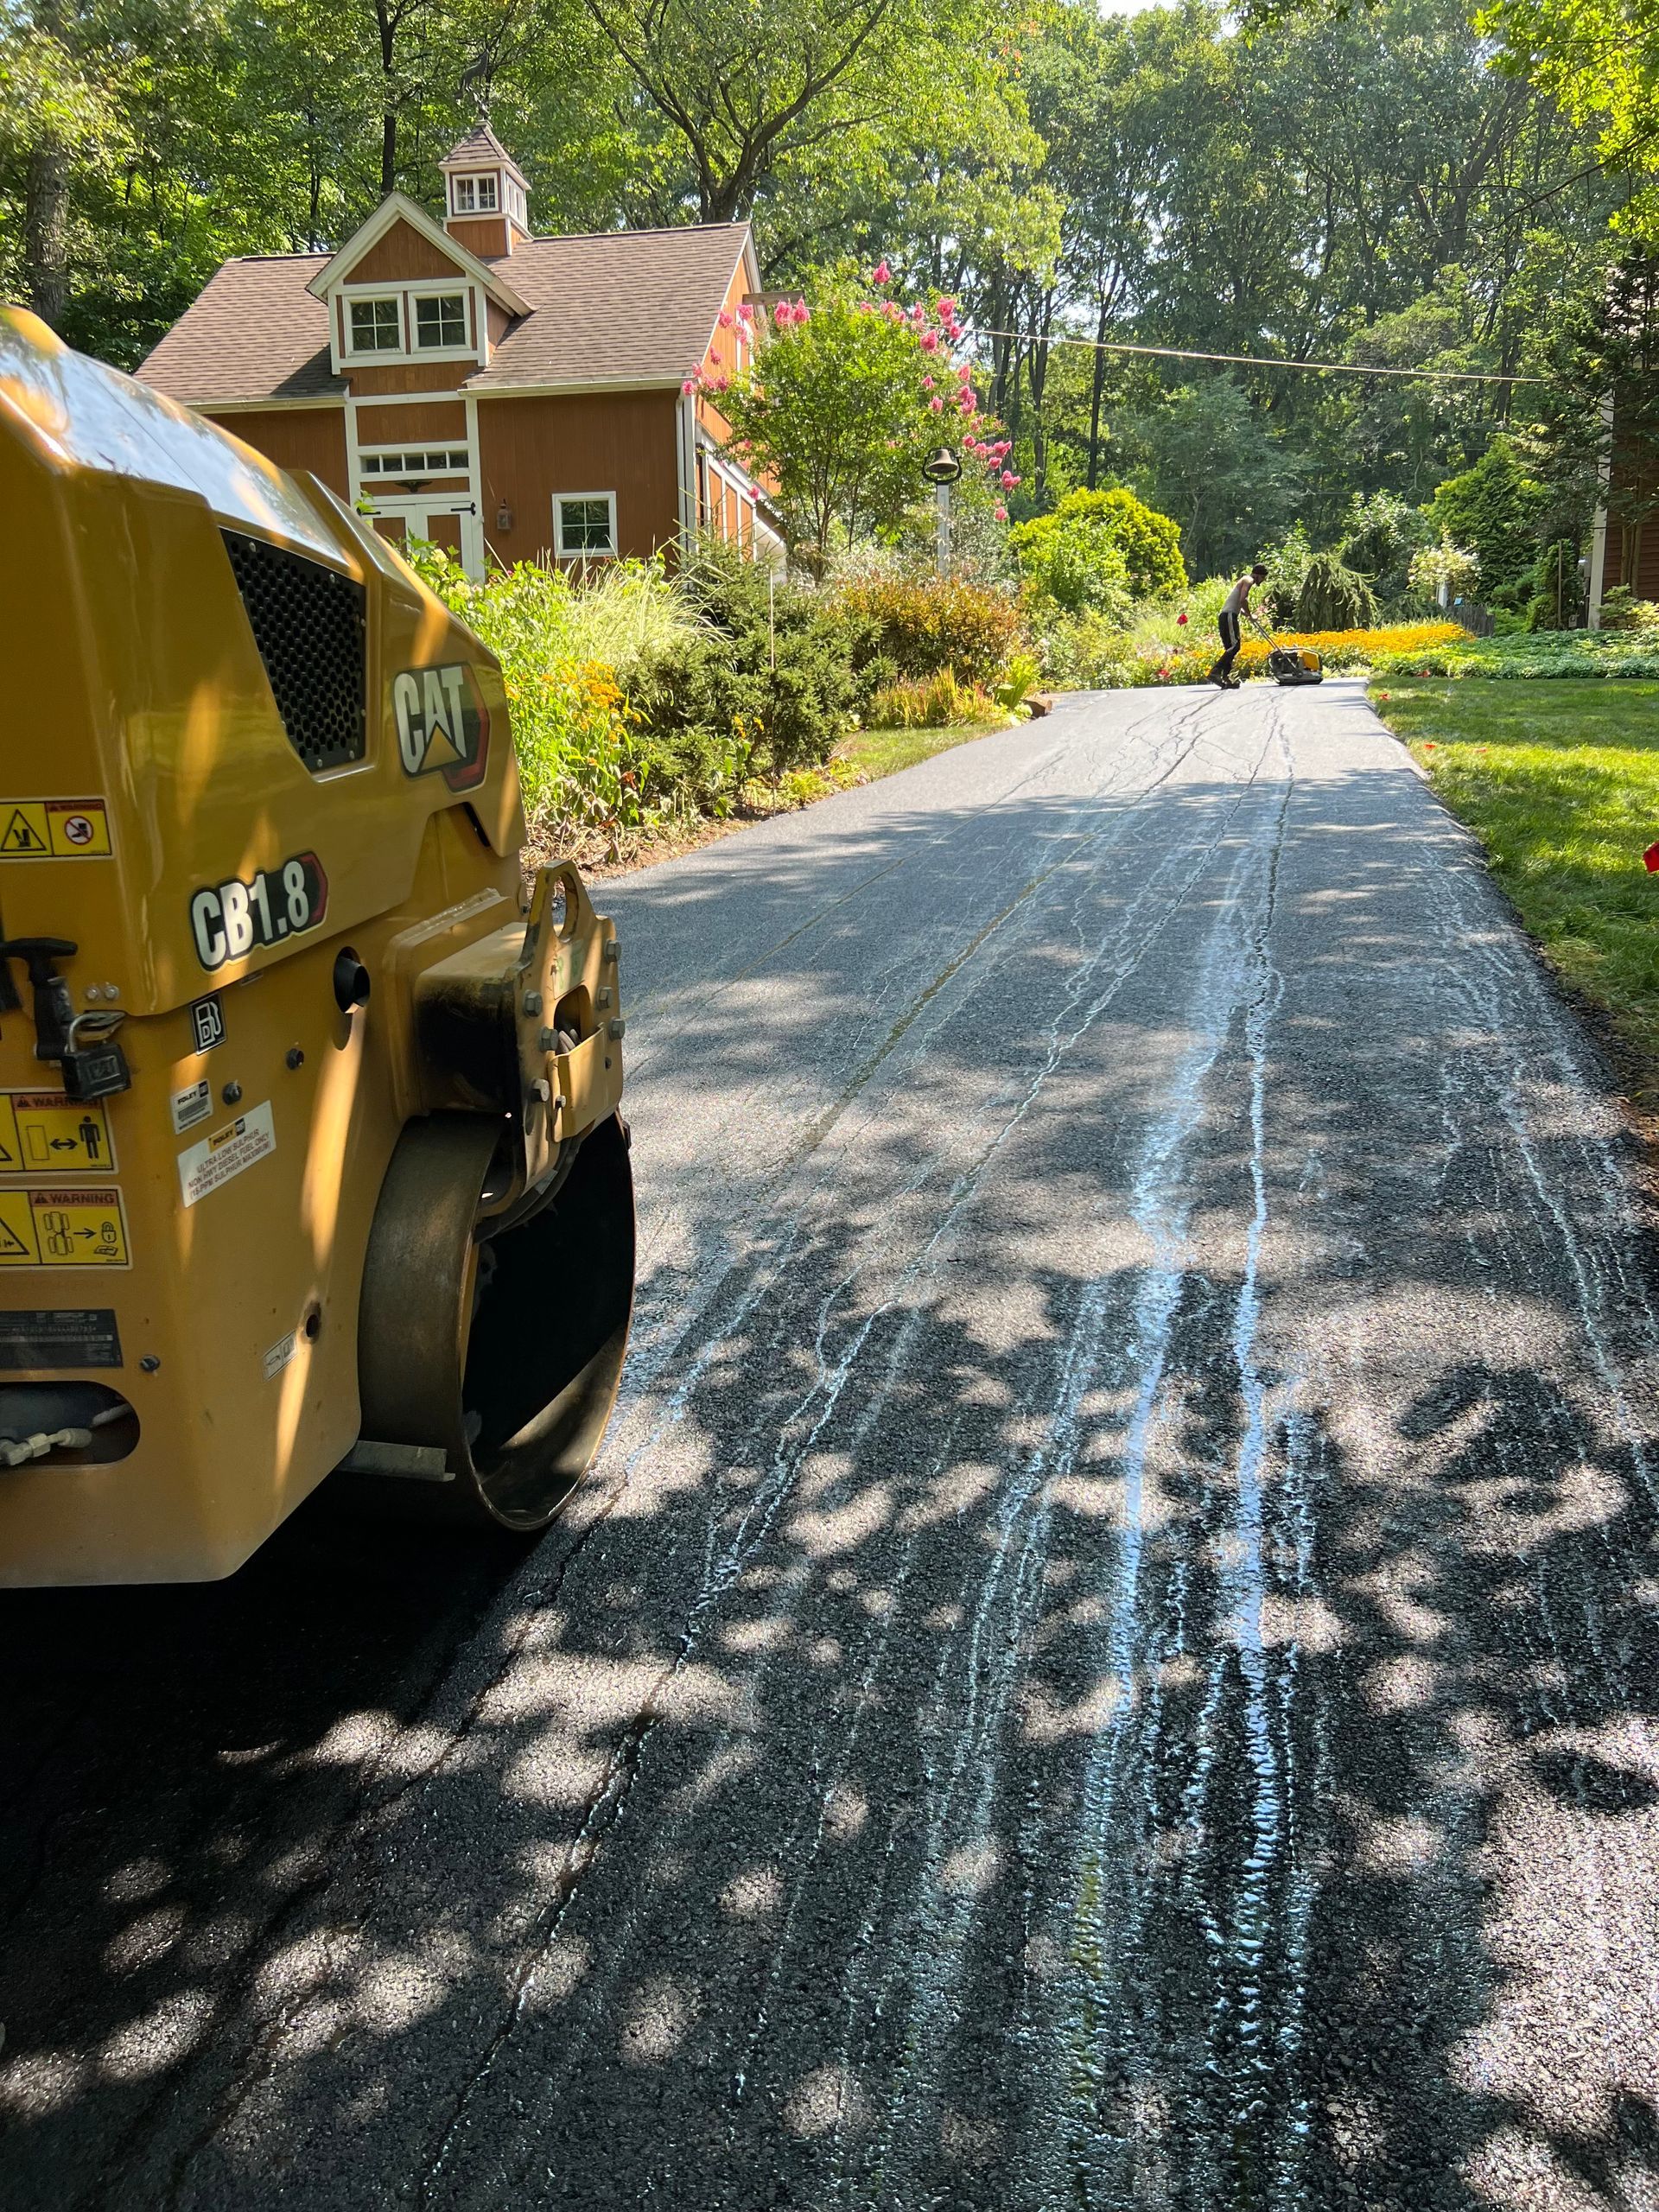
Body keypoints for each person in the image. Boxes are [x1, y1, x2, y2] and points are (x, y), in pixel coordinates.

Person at [1210, 563, 1268, 689]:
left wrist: (1246, 615)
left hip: (1227, 615)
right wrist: (1250, 615)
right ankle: (1215, 671)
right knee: (1235, 646)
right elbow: (1243, 600)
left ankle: (1226, 677)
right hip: (1229, 616)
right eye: (1263, 578)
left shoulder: (1245, 580)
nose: (1262, 581)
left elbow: (1237, 603)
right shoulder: (1249, 580)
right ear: (1258, 575)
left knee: (1230, 648)